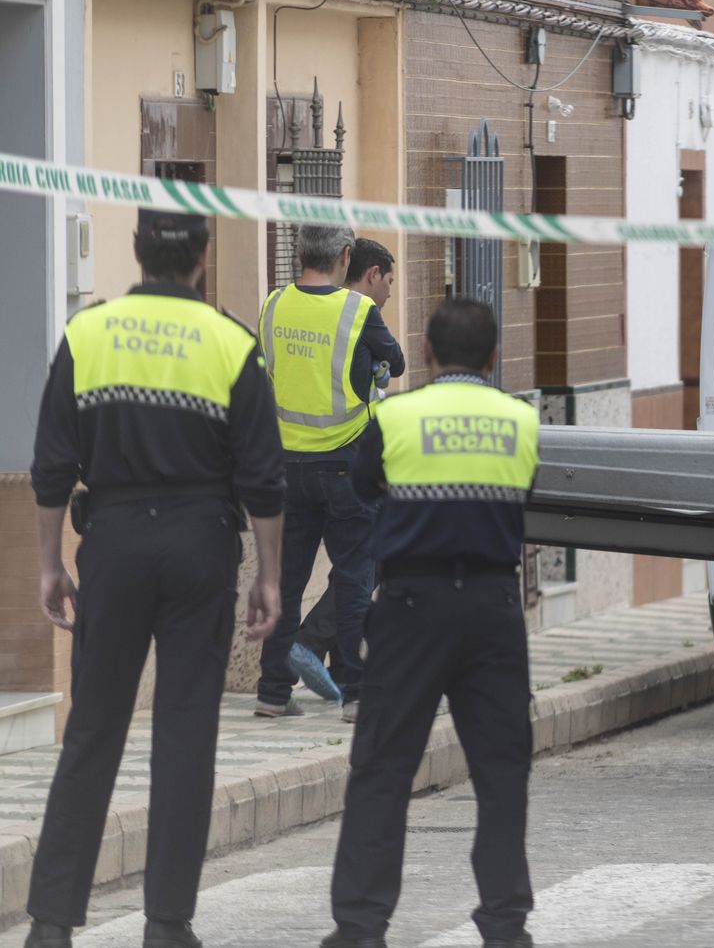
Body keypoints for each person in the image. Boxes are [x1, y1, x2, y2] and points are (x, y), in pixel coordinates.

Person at [24, 210, 285, 948]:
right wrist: (269, 575)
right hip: (202, 543)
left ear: (136, 253)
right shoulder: (232, 341)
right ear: (204, 256)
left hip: (112, 540)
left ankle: (50, 922)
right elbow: (263, 479)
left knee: (93, 731)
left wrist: (51, 562)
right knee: (184, 732)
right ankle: (167, 924)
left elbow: (50, 467)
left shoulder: (88, 333)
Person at [322, 300, 539, 948]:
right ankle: (505, 927)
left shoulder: (394, 416)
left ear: (428, 351)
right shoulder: (520, 422)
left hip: (410, 609)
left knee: (382, 769)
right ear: (494, 355)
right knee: (501, 772)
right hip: (494, 611)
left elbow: (365, 487)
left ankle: (360, 928)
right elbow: (521, 495)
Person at [256, 225, 405, 723]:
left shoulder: (274, 305)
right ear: (346, 257)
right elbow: (397, 363)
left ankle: (273, 693)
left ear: (299, 254)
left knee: (287, 579)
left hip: (287, 466)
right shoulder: (359, 311)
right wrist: (373, 369)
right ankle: (357, 696)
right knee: (355, 579)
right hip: (346, 465)